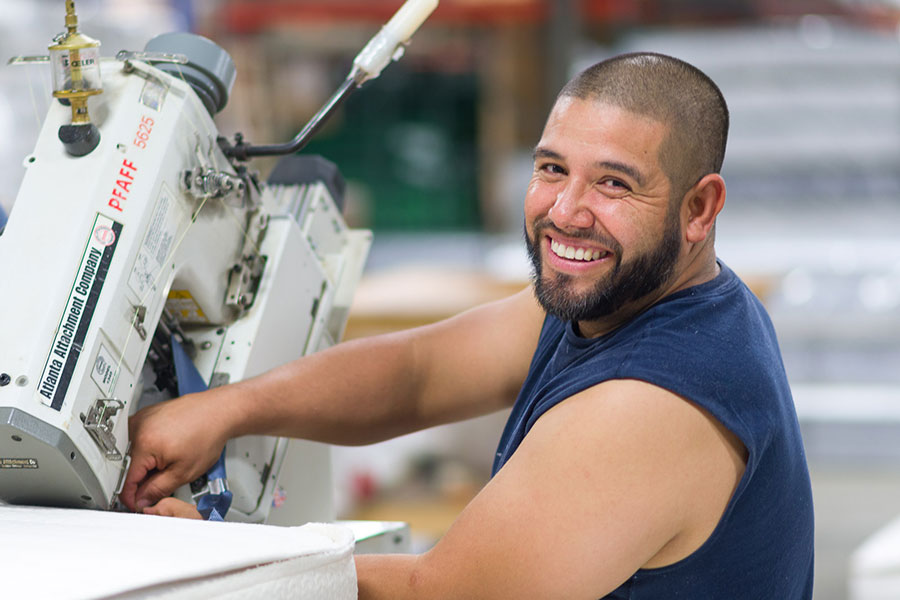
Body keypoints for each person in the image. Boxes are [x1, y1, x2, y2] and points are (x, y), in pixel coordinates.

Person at [121, 52, 814, 598]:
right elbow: (419, 373)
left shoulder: (653, 404)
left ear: (700, 208)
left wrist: (223, 563)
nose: (566, 212)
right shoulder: (626, 299)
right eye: (552, 169)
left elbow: (440, 594)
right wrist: (224, 409)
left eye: (613, 184)